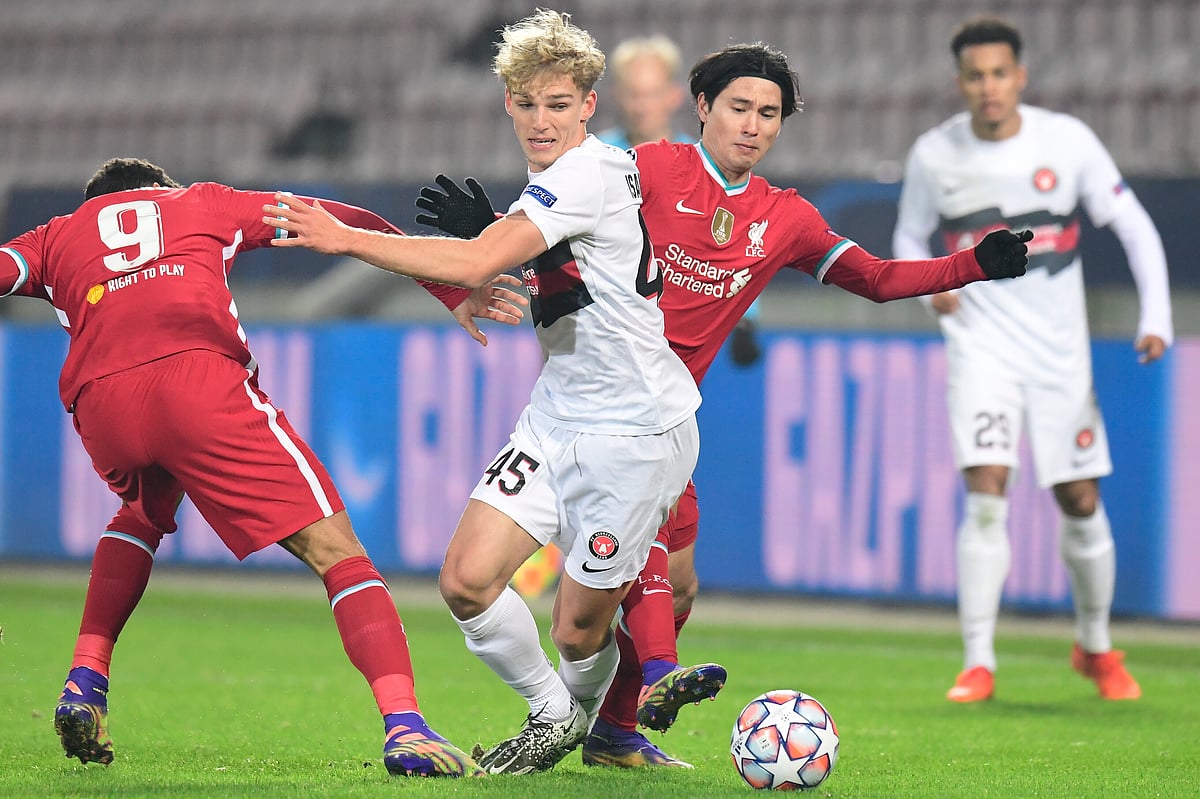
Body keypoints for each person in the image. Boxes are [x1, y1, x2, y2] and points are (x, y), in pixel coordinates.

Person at [413, 42, 1033, 767]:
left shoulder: (786, 217)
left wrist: (972, 265)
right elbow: (566, 224)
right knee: (626, 575)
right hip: (609, 407)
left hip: (668, 416)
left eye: (768, 114)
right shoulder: (646, 169)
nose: (752, 125)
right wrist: (493, 228)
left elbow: (874, 277)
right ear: (703, 107)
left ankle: (611, 731)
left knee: (675, 590)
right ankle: (639, 684)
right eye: (739, 107)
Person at [267, 9, 704, 775]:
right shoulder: (571, 174)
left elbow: (477, 262)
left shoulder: (586, 173)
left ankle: (592, 722)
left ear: (589, 105)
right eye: (527, 103)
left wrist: (347, 238)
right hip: (557, 414)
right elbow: (569, 267)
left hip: (636, 432)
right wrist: (502, 235)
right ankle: (555, 716)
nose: (541, 120)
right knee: (466, 580)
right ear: (507, 101)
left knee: (576, 632)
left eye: (558, 104)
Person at [3, 157, 528, 777]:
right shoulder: (198, 201)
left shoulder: (55, 235)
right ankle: (405, 726)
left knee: (141, 511)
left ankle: (85, 678)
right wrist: (447, 285)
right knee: (339, 554)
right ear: (160, 189)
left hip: (101, 405)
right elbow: (336, 221)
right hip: (196, 381)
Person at [892, 16, 1172, 703]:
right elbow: (907, 234)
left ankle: (1096, 646)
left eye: (999, 73)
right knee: (987, 490)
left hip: (1058, 355)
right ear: (960, 83)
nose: (988, 87)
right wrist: (932, 294)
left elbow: (1133, 223)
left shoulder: (1067, 141)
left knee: (1080, 498)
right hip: (980, 347)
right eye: (975, 76)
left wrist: (1157, 316)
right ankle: (978, 661)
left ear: (1020, 76)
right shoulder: (935, 153)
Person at [596, 34, 762, 368]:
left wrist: (746, 318)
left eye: (652, 94)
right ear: (617, 96)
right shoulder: (594, 158)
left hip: (672, 336)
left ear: (673, 96)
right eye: (634, 94)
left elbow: (733, 243)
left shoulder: (705, 166)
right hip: (598, 325)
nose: (642, 106)